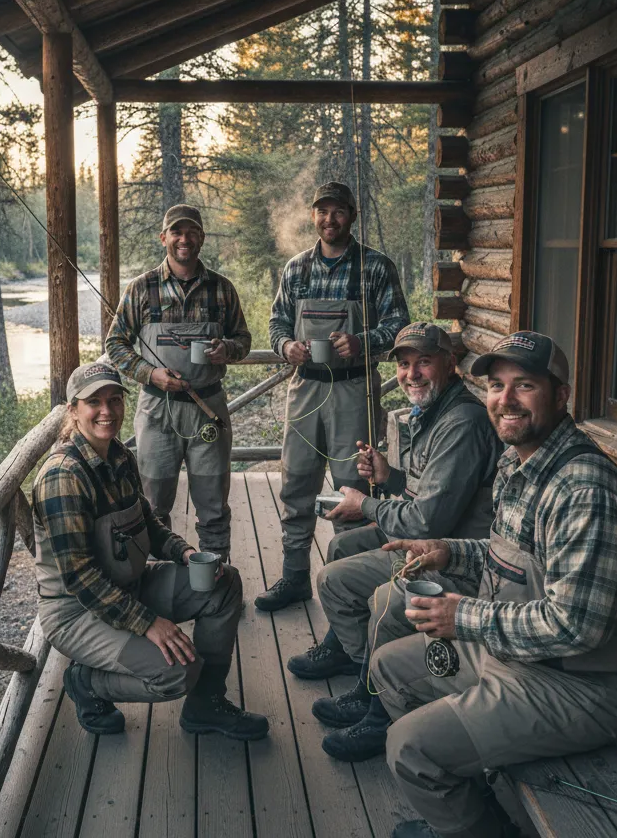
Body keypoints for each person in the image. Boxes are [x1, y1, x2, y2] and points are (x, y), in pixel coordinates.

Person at [333, 332, 617, 838]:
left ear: (561, 394)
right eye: (496, 385)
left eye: (524, 385)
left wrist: (463, 617)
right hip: (508, 655)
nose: (505, 399)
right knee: (388, 667)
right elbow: (511, 550)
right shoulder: (519, 460)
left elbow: (574, 627)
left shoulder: (586, 492)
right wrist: (449, 550)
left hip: (576, 686)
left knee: (410, 749)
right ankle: (470, 796)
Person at [287, 323, 501, 758]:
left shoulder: (461, 421)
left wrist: (365, 504)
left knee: (361, 591)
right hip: (435, 534)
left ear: (450, 363)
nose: (411, 373)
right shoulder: (436, 410)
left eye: (423, 361)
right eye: (404, 364)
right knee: (341, 547)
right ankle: (354, 655)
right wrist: (390, 477)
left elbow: (426, 520)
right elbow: (434, 491)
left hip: (450, 554)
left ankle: (376, 707)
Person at [31, 362, 269, 740]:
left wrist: (186, 554)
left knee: (224, 584)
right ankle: (86, 682)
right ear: (73, 410)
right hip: (77, 612)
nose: (107, 411)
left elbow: (148, 524)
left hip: (131, 585)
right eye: (94, 402)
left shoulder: (120, 457)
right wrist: (147, 622)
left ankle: (206, 704)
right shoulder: (63, 477)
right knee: (176, 672)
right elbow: (81, 578)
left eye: (114, 399)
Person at [256, 181, 408, 611]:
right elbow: (277, 325)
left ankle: (352, 582)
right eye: (322, 211)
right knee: (296, 484)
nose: (330, 219)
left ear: (352, 216)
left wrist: (363, 342)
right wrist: (287, 348)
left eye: (338, 211)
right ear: (313, 216)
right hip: (305, 388)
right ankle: (294, 578)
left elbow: (400, 327)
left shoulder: (375, 268)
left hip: (353, 390)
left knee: (353, 487)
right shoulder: (296, 269)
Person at [105, 204, 250, 561]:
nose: (184, 239)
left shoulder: (222, 289)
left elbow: (243, 341)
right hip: (157, 412)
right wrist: (150, 374)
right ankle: (158, 579)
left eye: (192, 232)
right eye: (176, 232)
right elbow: (114, 345)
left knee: (213, 505)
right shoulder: (140, 289)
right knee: (153, 507)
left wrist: (226, 349)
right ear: (164, 238)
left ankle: (219, 581)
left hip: (207, 412)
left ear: (201, 237)